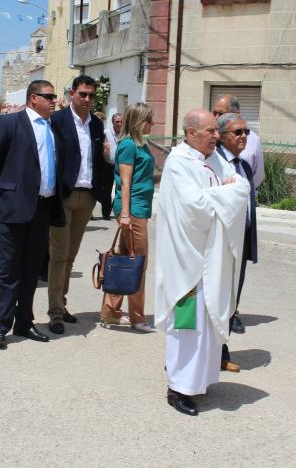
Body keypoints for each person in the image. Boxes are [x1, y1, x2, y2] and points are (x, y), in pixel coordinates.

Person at [156, 108, 250, 416]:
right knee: (187, 323)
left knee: (206, 321)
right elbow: (195, 207)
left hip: (210, 256)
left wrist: (229, 190)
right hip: (188, 261)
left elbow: (237, 185)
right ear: (191, 132)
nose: (217, 136)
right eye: (210, 131)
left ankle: (199, 380)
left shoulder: (210, 160)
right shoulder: (178, 164)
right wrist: (229, 192)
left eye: (217, 131)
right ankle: (178, 388)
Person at [0, 80, 65, 350]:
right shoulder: (10, 123)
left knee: (30, 269)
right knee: (7, 269)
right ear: (32, 99)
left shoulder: (53, 128)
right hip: (12, 207)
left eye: (54, 96)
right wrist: (4, 192)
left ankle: (25, 321)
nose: (54, 101)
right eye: (48, 96)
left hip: (42, 206)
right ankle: (0, 326)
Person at [46, 75, 108, 334]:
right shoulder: (57, 121)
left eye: (91, 95)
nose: (87, 99)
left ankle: (62, 302)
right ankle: (55, 313)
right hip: (64, 195)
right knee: (58, 255)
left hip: (87, 196)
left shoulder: (96, 124)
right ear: (72, 93)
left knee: (70, 256)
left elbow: (99, 159)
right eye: (82, 94)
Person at [99, 102, 155, 333]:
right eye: (149, 119)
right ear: (139, 121)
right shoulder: (129, 145)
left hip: (138, 208)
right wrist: (124, 214)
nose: (153, 123)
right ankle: (137, 317)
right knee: (138, 262)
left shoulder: (141, 143)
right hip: (132, 211)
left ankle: (110, 312)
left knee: (124, 261)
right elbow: (126, 181)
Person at [215, 112, 258, 372]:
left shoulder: (243, 164)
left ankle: (222, 350)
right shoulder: (216, 163)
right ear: (221, 136)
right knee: (217, 296)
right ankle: (215, 351)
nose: (244, 137)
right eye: (238, 132)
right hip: (221, 242)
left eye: (246, 132)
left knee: (232, 298)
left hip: (241, 240)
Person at [212, 94, 265, 188]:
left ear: (236, 114)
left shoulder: (252, 139)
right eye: (214, 113)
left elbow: (258, 175)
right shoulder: (210, 136)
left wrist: (245, 190)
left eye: (220, 113)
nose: (216, 117)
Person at [100, 112, 122, 220]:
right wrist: (104, 147)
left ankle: (116, 207)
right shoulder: (107, 133)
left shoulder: (125, 133)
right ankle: (106, 213)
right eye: (117, 122)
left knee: (121, 188)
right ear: (113, 122)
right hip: (108, 165)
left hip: (121, 166)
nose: (119, 124)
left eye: (121, 121)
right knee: (107, 190)